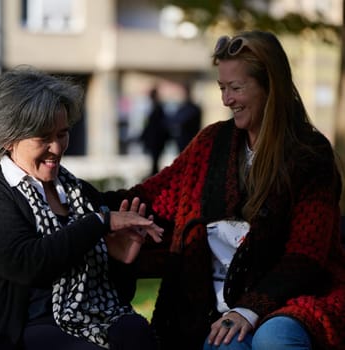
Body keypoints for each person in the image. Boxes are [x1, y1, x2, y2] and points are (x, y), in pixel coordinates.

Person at [103, 30, 345, 350]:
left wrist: (249, 308)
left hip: (292, 299)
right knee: (226, 344)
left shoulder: (308, 154)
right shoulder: (212, 144)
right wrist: (69, 193)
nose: (226, 99)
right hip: (217, 314)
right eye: (221, 87)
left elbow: (305, 256)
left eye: (236, 88)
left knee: (275, 338)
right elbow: (150, 197)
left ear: (270, 86)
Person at [0, 66, 164, 350]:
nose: (57, 148)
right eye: (43, 137)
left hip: (92, 321)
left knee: (136, 332)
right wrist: (99, 222)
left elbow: (115, 296)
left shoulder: (80, 192)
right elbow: (27, 264)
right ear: (8, 138)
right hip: (24, 330)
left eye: (62, 134)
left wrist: (120, 261)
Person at [140, 87, 169, 176]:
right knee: (154, 161)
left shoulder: (158, 108)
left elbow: (157, 126)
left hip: (156, 141)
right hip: (154, 141)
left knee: (155, 162)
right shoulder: (154, 107)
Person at [166, 82, 202, 152]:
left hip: (189, 140)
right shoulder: (183, 107)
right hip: (183, 140)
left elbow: (181, 120)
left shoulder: (192, 108)